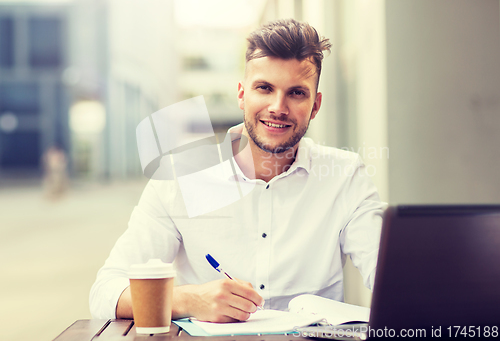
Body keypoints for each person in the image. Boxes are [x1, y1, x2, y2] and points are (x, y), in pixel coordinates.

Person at [90, 18, 384, 323]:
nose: (278, 107)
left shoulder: (345, 176)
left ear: (316, 105)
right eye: (265, 88)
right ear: (242, 94)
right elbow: (105, 293)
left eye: (296, 93)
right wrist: (187, 299)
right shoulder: (179, 177)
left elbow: (391, 276)